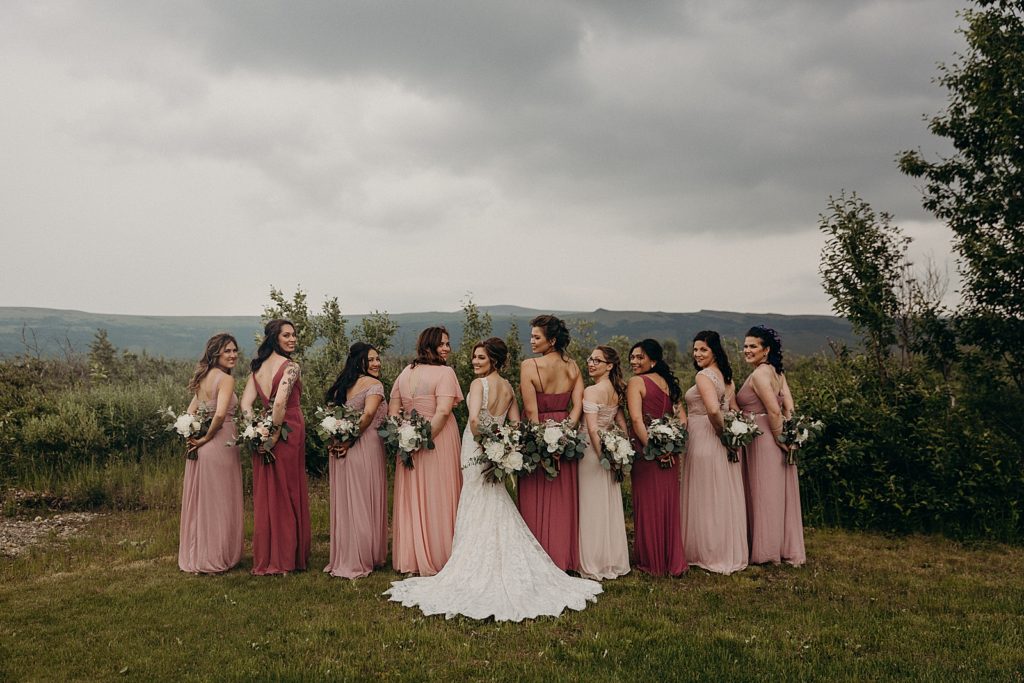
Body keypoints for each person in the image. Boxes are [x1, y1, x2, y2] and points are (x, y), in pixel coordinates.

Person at [385, 338, 602, 620]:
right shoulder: (509, 387)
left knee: (476, 501)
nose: (475, 362)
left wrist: (488, 447)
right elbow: (514, 424)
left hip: (477, 449)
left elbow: (474, 421)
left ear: (494, 361)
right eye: (474, 357)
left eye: (481, 358)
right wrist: (504, 447)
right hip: (495, 451)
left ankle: (475, 564)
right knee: (494, 501)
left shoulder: (479, 385)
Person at [389, 326, 463, 576]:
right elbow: (442, 412)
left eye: (448, 343)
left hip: (408, 440)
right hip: (437, 438)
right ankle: (441, 555)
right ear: (429, 345)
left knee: (413, 496)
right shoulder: (445, 372)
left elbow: (393, 409)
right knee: (439, 493)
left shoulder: (405, 372)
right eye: (442, 344)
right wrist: (423, 440)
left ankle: (411, 557)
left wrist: (404, 435)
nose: (447, 348)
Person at [240, 319, 310, 575]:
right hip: (287, 428)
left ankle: (271, 554)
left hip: (265, 429)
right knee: (288, 489)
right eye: (287, 335)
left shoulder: (256, 369)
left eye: (294, 335)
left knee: (269, 492)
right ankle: (286, 558)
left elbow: (246, 405)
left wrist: (256, 430)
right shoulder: (291, 367)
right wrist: (271, 435)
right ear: (274, 338)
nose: (293, 339)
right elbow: (280, 404)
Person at [517, 315, 584, 571]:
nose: (531, 341)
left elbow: (532, 413)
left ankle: (537, 559)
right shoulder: (573, 367)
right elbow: (577, 406)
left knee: (537, 495)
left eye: (537, 337)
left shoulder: (529, 366)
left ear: (552, 340)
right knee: (562, 498)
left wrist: (543, 443)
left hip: (539, 435)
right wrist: (565, 433)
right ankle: (562, 558)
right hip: (565, 433)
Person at [680, 330, 748, 574]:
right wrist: (734, 434)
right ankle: (724, 549)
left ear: (715, 351)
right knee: (721, 493)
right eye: (695, 349)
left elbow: (712, 410)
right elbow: (733, 409)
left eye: (703, 350)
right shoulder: (727, 378)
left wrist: (724, 436)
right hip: (718, 439)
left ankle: (707, 552)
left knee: (705, 495)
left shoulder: (704, 376)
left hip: (706, 438)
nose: (697, 354)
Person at [737, 325, 806, 566]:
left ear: (766, 350)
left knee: (764, 492)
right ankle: (779, 545)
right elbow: (790, 408)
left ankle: (766, 551)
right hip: (775, 434)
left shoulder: (759, 375)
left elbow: (775, 409)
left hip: (764, 437)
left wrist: (780, 439)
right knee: (776, 492)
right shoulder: (777, 373)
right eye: (745, 346)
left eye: (752, 346)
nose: (747, 350)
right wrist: (792, 434)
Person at [178, 333, 244, 574]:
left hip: (202, 447)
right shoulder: (225, 380)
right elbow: (219, 415)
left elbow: (189, 412)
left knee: (205, 501)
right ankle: (216, 556)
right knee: (220, 500)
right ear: (215, 352)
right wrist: (205, 437)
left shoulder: (203, 378)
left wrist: (191, 436)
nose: (233, 355)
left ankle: (200, 553)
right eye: (227, 350)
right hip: (219, 443)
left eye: (235, 350)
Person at [322, 343, 388, 579]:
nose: (377, 363)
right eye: (371, 359)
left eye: (378, 359)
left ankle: (347, 554)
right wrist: (350, 441)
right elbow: (368, 415)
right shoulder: (374, 385)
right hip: (363, 445)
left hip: (342, 447)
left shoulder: (344, 386)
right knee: (362, 499)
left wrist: (338, 439)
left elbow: (334, 417)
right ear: (359, 361)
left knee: (348, 501)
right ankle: (361, 557)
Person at [626, 339, 688, 576]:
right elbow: (682, 420)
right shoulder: (668, 384)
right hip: (670, 452)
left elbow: (636, 420)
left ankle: (651, 562)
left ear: (654, 360)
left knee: (649, 504)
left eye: (640, 357)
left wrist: (653, 448)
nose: (634, 361)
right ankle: (671, 560)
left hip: (647, 453)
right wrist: (672, 446)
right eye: (632, 356)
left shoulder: (636, 382)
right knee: (667, 504)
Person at [577, 345, 630, 581]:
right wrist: (621, 451)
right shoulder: (617, 390)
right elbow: (622, 425)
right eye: (590, 359)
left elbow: (592, 428)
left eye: (597, 360)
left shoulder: (591, 391)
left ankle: (592, 560)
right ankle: (612, 558)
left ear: (609, 365)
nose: (590, 363)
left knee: (590, 504)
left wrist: (603, 458)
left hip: (592, 452)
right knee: (606, 504)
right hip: (610, 449)